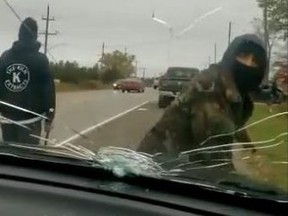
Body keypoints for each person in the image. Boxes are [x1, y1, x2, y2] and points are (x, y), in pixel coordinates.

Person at [138, 34, 267, 163]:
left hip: (181, 162)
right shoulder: (209, 87)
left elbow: (234, 122)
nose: (248, 64)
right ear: (230, 56)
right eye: (243, 56)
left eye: (255, 61)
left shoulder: (235, 88)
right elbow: (214, 154)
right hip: (158, 164)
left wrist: (250, 147)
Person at [0, 17, 55, 145]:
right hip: (31, 121)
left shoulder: (5, 57)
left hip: (7, 119)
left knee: (11, 156)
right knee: (28, 158)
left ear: (19, 35)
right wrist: (49, 118)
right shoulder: (41, 60)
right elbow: (48, 91)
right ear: (35, 35)